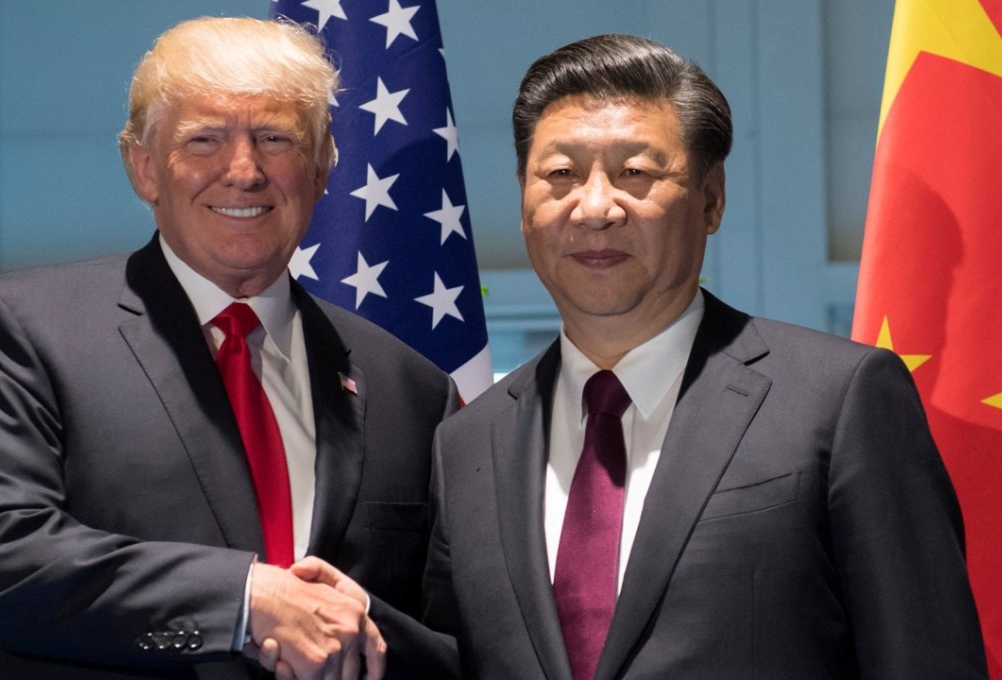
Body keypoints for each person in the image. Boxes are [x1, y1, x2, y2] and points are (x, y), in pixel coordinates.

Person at [421, 33, 988, 679]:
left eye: (634, 172)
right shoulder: (467, 441)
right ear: (524, 203)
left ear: (711, 199)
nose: (596, 206)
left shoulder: (838, 399)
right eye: (560, 175)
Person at [0, 16, 458, 680]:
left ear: (323, 169)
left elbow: (462, 644)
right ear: (144, 168)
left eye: (276, 139)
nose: (244, 171)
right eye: (204, 140)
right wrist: (244, 598)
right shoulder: (22, 330)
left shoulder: (414, 389)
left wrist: (363, 635)